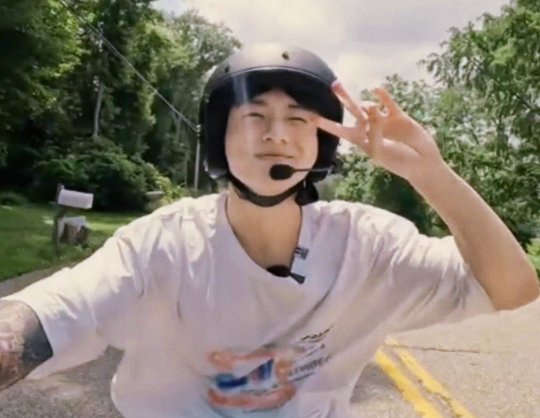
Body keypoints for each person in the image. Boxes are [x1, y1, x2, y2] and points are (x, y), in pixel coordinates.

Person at [0, 43, 538, 418]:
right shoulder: (162, 244)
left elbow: (512, 288)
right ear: (219, 138)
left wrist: (430, 173)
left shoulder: (369, 246)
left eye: (299, 120)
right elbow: (56, 310)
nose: (277, 135)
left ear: (321, 145)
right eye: (254, 116)